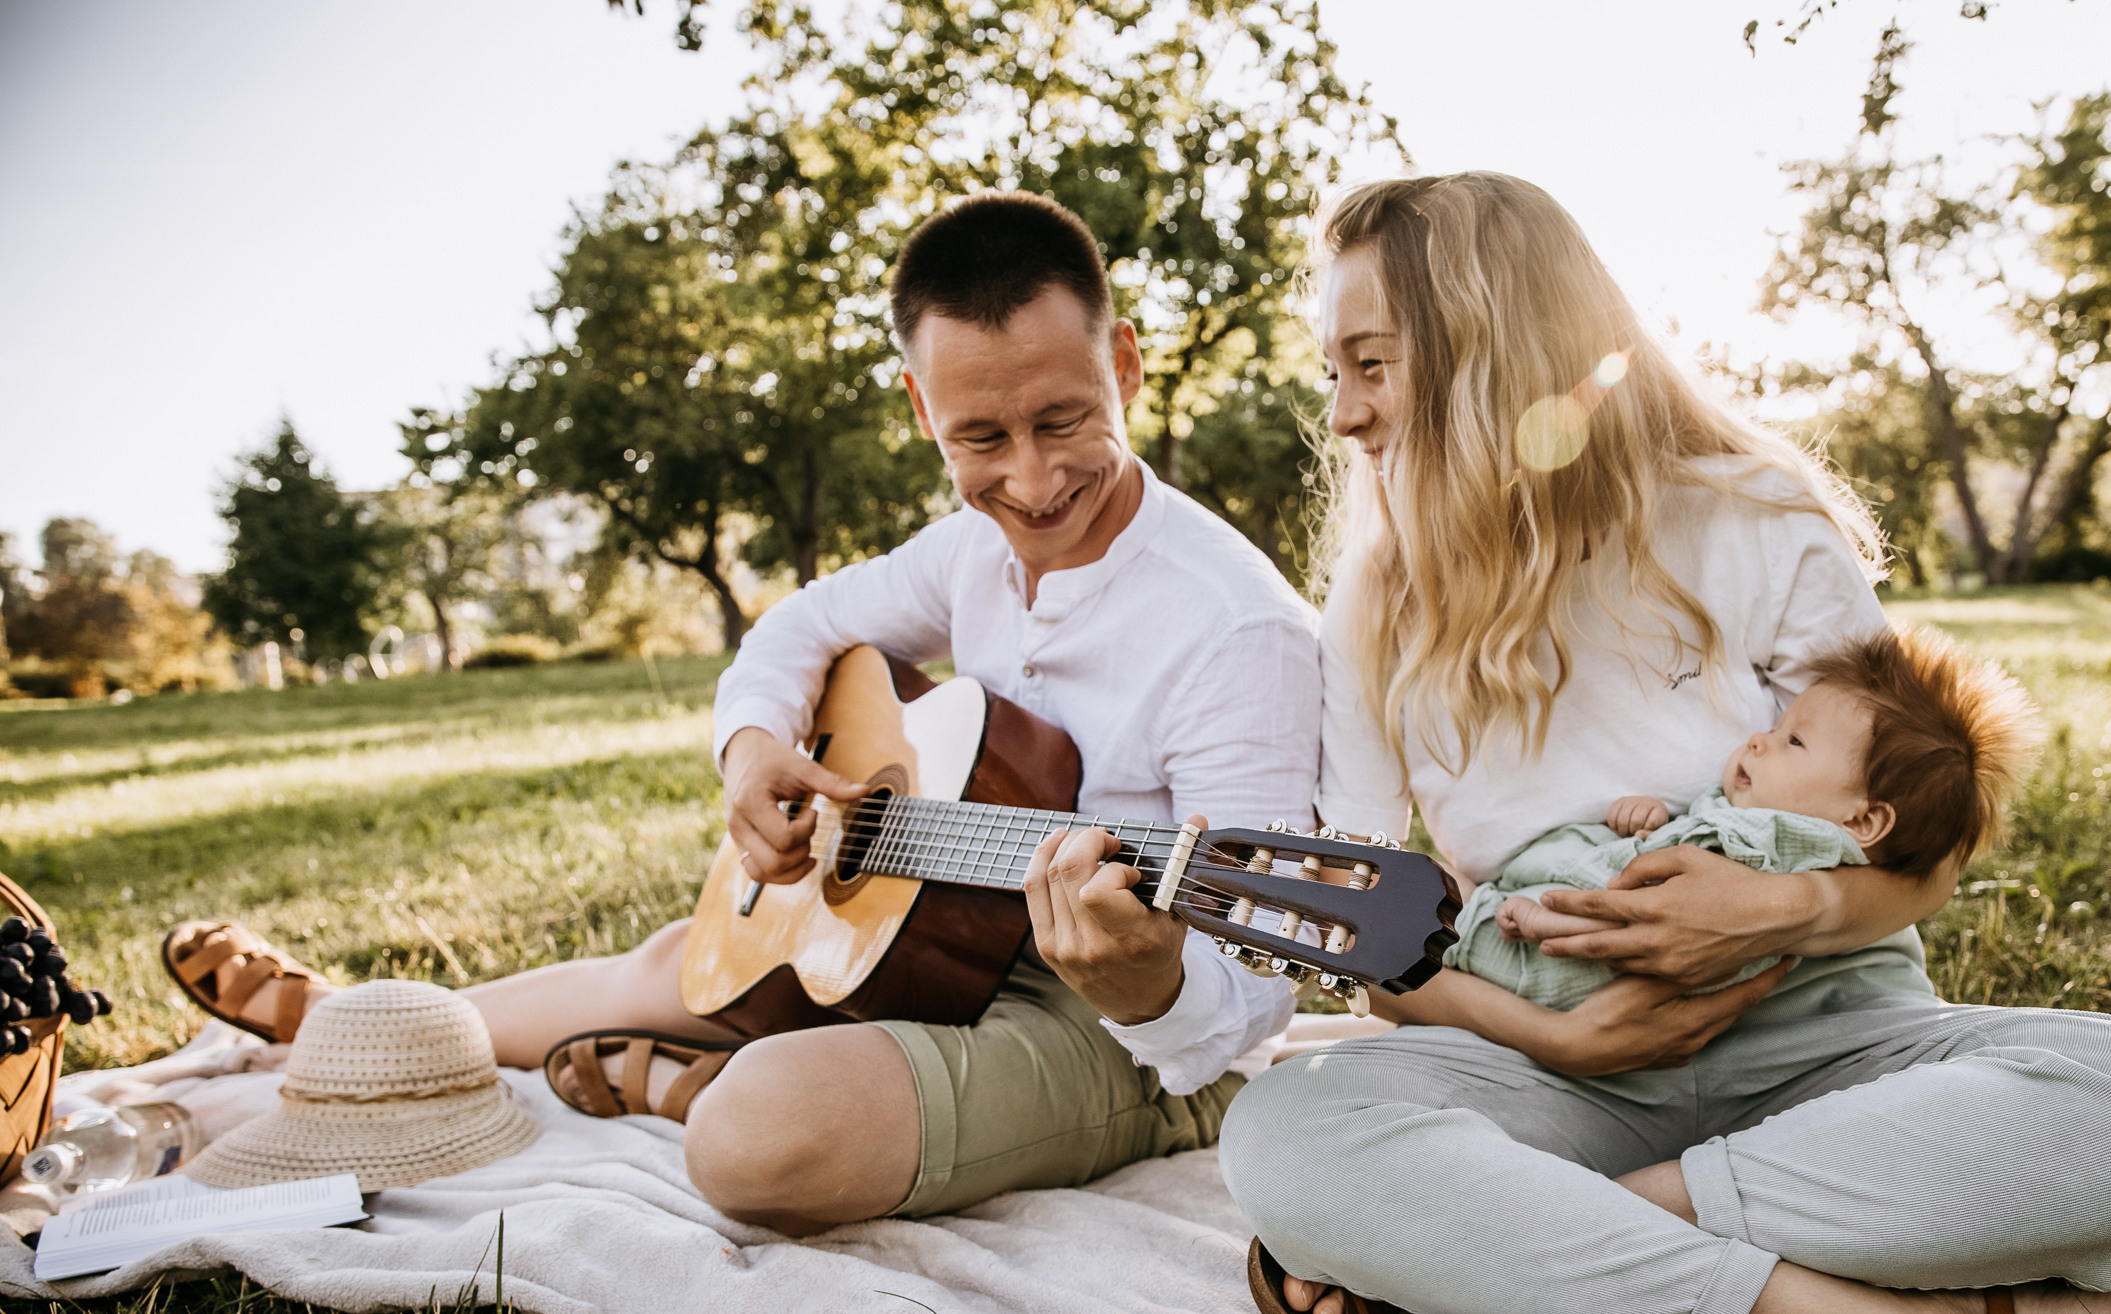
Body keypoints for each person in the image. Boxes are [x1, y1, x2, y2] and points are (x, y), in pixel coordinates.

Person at [1219, 171, 2111, 1314]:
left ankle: (1537, 1228)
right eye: (1333, 370)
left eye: (1372, 365)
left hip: (1827, 1045)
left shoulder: (1750, 520)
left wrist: (1789, 906)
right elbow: (1376, 949)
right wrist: (1573, 1034)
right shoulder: (1379, 601)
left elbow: (1921, 848)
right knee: (1288, 1135)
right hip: (1544, 1064)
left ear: (1492, 350)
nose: (1340, 415)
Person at [163, 193, 1320, 1236]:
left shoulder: (1238, 630)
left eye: (1064, 420)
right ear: (922, 407)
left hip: (1126, 1036)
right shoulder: (970, 551)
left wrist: (1143, 984)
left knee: (755, 1136)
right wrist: (754, 745)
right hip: (940, 921)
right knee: (696, 955)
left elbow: (1245, 1006)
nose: (1029, 479)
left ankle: (706, 1070)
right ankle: (366, 1029)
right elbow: (797, 627)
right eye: (980, 437)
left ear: (1123, 357)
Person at [1452, 626, 2041, 1011]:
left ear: (1863, 822)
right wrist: (1654, 819)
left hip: (1584, 959)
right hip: (1589, 915)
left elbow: (1642, 912)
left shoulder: (1784, 839)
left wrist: (1541, 918)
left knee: (1485, 938)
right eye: (1777, 727)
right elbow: (1685, 845)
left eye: (1795, 743)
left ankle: (1463, 927)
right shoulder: (1761, 816)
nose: (1760, 740)